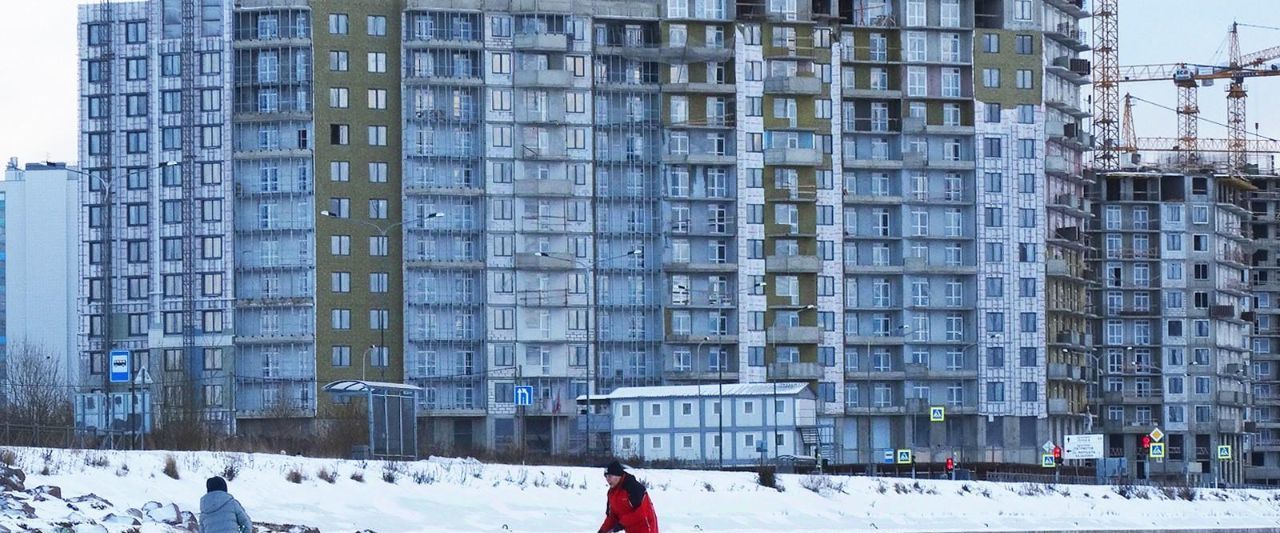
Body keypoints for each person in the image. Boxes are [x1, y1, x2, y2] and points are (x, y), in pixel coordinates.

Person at [597, 460, 658, 533]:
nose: (607, 479)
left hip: (646, 527)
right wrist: (603, 530)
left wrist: (621, 524)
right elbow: (612, 516)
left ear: (618, 475)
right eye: (606, 476)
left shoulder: (633, 487)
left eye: (610, 476)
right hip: (630, 529)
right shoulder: (611, 493)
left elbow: (641, 513)